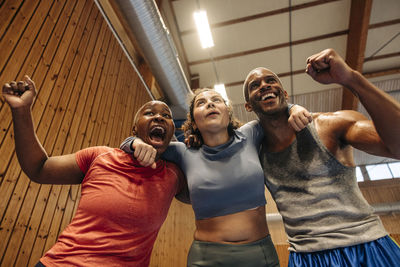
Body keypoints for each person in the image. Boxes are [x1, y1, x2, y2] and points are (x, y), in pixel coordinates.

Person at [2, 76, 188, 267]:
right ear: (134, 128)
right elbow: (39, 168)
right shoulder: (99, 156)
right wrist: (21, 110)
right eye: (149, 113)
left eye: (166, 116)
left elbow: (209, 193)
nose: (159, 117)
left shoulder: (173, 176)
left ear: (172, 132)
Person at [243, 48, 400, 266]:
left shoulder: (329, 124)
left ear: (284, 94)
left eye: (271, 80)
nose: (265, 85)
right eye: (255, 85)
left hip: (366, 246)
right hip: (306, 256)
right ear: (248, 105)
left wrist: (351, 79)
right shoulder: (253, 152)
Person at [121, 88, 311, 266]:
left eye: (216, 100)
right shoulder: (182, 152)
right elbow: (131, 144)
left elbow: (276, 115)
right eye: (201, 103)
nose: (210, 104)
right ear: (193, 121)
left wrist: (293, 108)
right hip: (206, 258)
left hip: (260, 254)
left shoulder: (251, 133)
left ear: (228, 113)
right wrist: (135, 142)